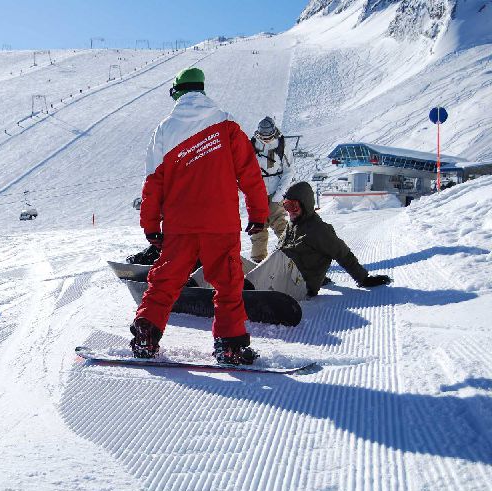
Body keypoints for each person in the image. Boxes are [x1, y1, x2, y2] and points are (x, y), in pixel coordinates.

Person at [129, 67, 269, 366]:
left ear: (177, 92)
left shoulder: (165, 129)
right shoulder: (227, 124)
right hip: (220, 223)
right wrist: (258, 213)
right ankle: (230, 347)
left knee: (165, 281)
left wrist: (151, 224)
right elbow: (250, 174)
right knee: (228, 286)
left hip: (180, 225)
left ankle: (146, 335)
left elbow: (153, 182)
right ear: (202, 89)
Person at [246, 182, 391, 298]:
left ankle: (247, 291)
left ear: (305, 204)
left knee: (279, 256)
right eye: (286, 206)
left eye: (293, 206)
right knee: (236, 260)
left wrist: (364, 279)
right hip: (282, 279)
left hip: (300, 287)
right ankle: (239, 288)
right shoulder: (293, 224)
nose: (290, 212)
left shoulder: (319, 229)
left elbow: (343, 254)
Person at [249, 116, 294, 263]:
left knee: (280, 225)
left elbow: (288, 171)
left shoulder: (282, 145)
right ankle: (258, 261)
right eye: (263, 137)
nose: (266, 140)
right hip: (258, 193)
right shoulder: (252, 145)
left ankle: (291, 256)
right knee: (258, 227)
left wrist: (279, 194)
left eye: (268, 137)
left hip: (275, 191)